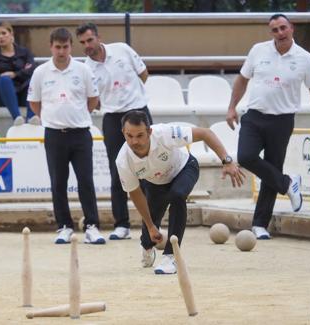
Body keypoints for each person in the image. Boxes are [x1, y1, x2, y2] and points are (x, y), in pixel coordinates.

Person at [226, 14, 310, 240]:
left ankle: (260, 224)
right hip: (254, 116)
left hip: (282, 121)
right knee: (246, 156)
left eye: (283, 28)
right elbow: (242, 79)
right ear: (271, 33)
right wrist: (232, 107)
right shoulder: (258, 50)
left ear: (291, 28)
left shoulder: (305, 58)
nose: (279, 33)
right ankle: (288, 183)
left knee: (272, 167)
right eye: (275, 30)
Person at [116, 110, 245, 274]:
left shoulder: (164, 133)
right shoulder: (123, 161)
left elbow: (205, 133)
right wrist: (150, 226)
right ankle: (146, 246)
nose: (135, 141)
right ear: (123, 133)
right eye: (129, 136)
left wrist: (226, 160)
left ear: (149, 131)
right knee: (150, 229)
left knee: (177, 196)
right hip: (155, 182)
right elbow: (135, 194)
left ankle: (171, 256)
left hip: (184, 168)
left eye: (140, 135)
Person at [27, 27, 106, 245]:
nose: (61, 51)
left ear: (71, 46)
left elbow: (92, 100)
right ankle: (64, 226)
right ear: (51, 47)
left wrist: (77, 115)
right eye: (57, 47)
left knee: (86, 181)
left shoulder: (83, 70)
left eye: (65, 47)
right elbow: (34, 103)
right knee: (58, 182)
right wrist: (51, 118)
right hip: (54, 135)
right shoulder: (40, 72)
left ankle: (92, 226)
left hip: (81, 133)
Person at [75, 22, 153, 241]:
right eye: (82, 43)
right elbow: (94, 100)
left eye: (90, 40)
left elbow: (143, 74)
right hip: (112, 118)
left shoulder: (122, 49)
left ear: (99, 37)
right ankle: (122, 224)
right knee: (117, 169)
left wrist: (133, 98)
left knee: (149, 165)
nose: (87, 46)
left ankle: (152, 221)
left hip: (139, 111)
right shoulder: (85, 68)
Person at [0, 21, 40, 126]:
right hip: (3, 96)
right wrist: (22, 72)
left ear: (11, 34)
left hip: (23, 94)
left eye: (4, 33)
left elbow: (32, 71)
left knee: (32, 80)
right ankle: (17, 118)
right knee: (4, 80)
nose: (1, 37)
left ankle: (31, 117)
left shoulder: (24, 52)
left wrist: (15, 74)